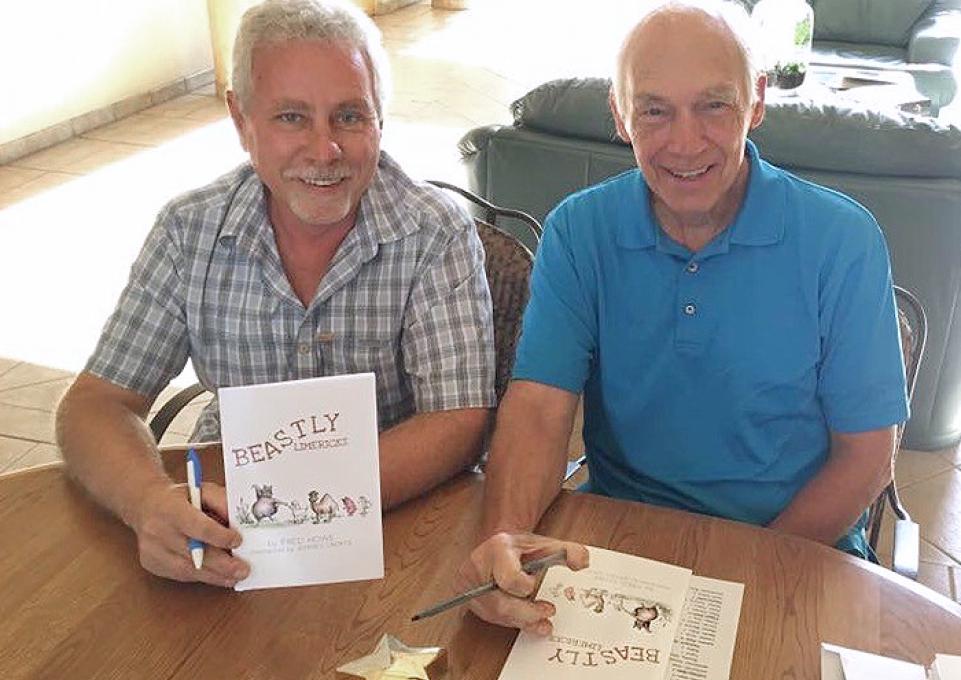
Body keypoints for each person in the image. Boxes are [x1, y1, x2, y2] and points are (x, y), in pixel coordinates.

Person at [457, 0, 908, 635]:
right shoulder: (579, 230)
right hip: (621, 544)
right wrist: (505, 539)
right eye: (655, 110)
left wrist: (737, 579)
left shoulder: (843, 239)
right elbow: (537, 405)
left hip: (793, 551)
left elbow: (867, 458)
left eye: (714, 106)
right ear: (620, 114)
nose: (685, 142)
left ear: (756, 102)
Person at [56, 0, 495, 588]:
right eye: (291, 117)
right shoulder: (190, 231)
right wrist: (148, 503)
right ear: (242, 121)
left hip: (394, 522)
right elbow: (94, 405)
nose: (323, 150)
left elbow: (457, 418)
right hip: (227, 527)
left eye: (349, 116)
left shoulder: (434, 233)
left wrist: (296, 516)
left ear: (381, 121)